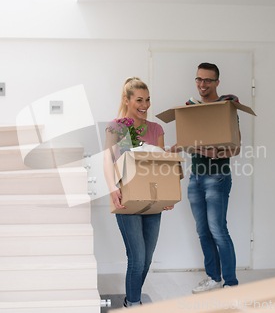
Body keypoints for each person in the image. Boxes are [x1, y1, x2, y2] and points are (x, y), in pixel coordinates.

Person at [103, 77, 174, 308]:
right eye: (139, 100)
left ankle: (131, 298)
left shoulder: (156, 129)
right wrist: (112, 188)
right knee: (136, 258)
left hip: (152, 202)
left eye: (148, 100)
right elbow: (106, 159)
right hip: (126, 199)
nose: (145, 105)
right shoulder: (116, 127)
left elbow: (161, 165)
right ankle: (133, 303)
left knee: (147, 259)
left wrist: (167, 194)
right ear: (127, 100)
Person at [171, 62, 240, 293]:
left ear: (217, 82)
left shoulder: (226, 108)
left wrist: (214, 153)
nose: (202, 84)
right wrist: (179, 147)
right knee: (203, 232)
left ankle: (230, 283)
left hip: (217, 178)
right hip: (196, 178)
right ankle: (213, 278)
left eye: (208, 80)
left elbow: (236, 149)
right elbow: (190, 142)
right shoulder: (193, 109)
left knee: (218, 230)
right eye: (199, 79)